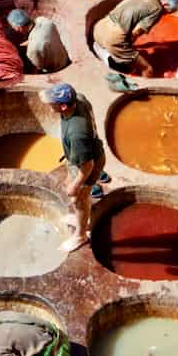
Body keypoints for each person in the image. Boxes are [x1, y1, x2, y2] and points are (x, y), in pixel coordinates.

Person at [47, 82, 103, 253]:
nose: (49, 103)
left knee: (78, 199)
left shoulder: (77, 134)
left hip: (87, 164)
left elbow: (88, 166)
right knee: (80, 198)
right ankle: (82, 219)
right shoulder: (79, 99)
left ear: (63, 106)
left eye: (52, 102)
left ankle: (80, 236)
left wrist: (75, 185)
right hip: (87, 153)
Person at [89, 0, 178, 74]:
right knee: (147, 69)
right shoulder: (158, 8)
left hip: (100, 27)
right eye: (167, 12)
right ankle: (109, 58)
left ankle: (105, 50)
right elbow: (137, 31)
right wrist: (128, 45)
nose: (165, 14)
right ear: (166, 5)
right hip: (113, 38)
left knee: (123, 47)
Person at [5, 8, 69, 73]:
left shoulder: (32, 50)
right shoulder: (44, 21)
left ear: (19, 28)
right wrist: (30, 41)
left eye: (14, 27)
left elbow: (39, 66)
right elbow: (43, 37)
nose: (15, 30)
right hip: (64, 58)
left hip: (57, 69)